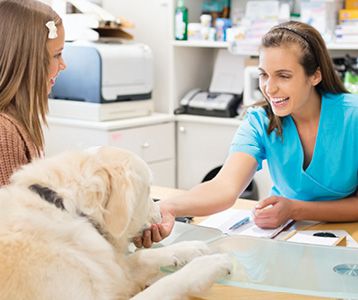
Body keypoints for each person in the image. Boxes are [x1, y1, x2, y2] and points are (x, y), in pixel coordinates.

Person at [134, 21, 358, 248]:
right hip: (289, 237)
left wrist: (295, 209)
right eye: (264, 75)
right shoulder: (260, 121)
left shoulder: (352, 116)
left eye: (283, 76)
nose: (270, 88)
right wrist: (167, 207)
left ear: (315, 76)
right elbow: (224, 188)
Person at [0, 0, 66, 186]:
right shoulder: (4, 132)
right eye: (56, 55)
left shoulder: (20, 121)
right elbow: (15, 213)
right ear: (28, 62)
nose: (63, 64)